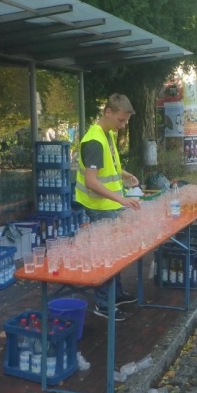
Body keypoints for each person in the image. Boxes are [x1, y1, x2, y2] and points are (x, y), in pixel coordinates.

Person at [75, 93, 141, 321]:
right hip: (99, 206)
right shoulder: (94, 140)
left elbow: (108, 167)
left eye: (126, 121)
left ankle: (116, 293)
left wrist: (124, 175)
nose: (123, 126)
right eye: (121, 120)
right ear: (108, 112)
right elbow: (91, 181)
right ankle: (104, 304)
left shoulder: (107, 134)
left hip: (109, 204)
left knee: (114, 252)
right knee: (105, 254)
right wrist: (121, 200)